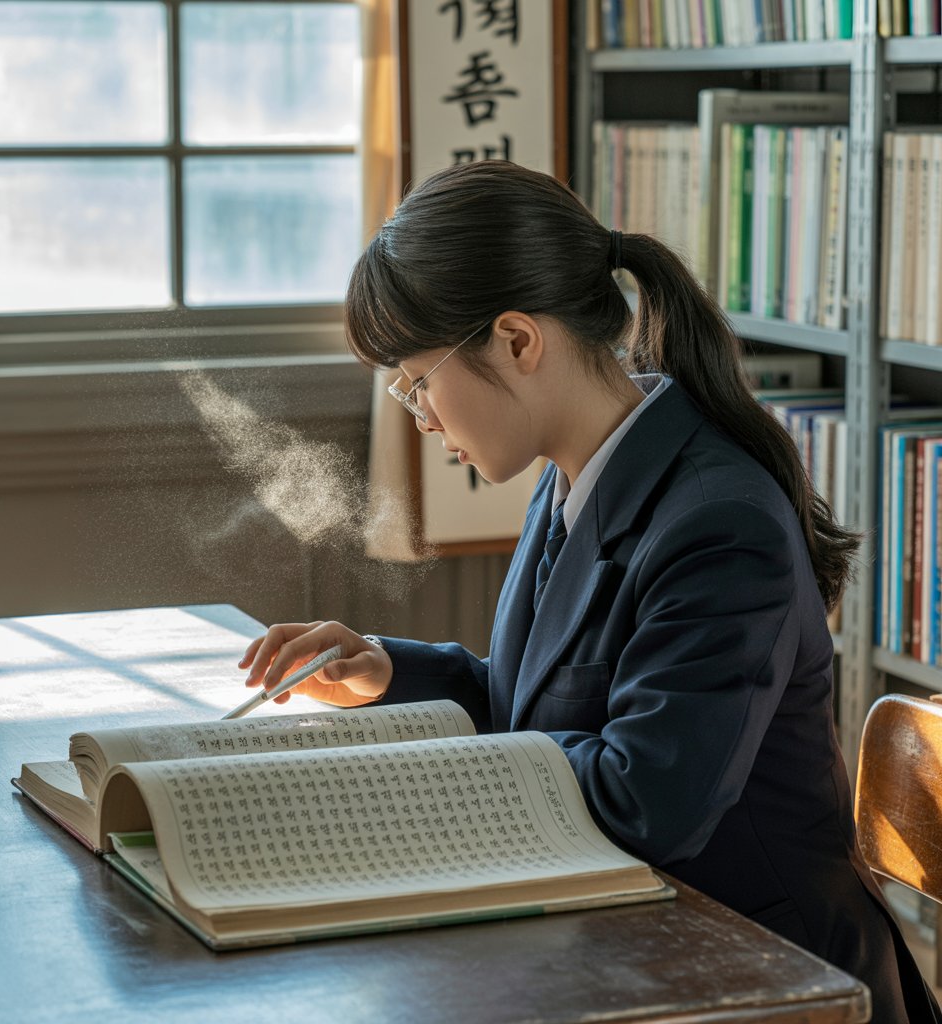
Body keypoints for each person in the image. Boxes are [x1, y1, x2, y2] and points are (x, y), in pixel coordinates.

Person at [239, 161, 939, 1022]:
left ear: (517, 340)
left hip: (766, 976)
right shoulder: (578, 473)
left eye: (420, 384)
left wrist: (437, 774)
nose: (422, 419)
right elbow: (535, 699)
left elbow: (645, 802)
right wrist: (386, 668)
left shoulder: (720, 524)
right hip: (639, 936)